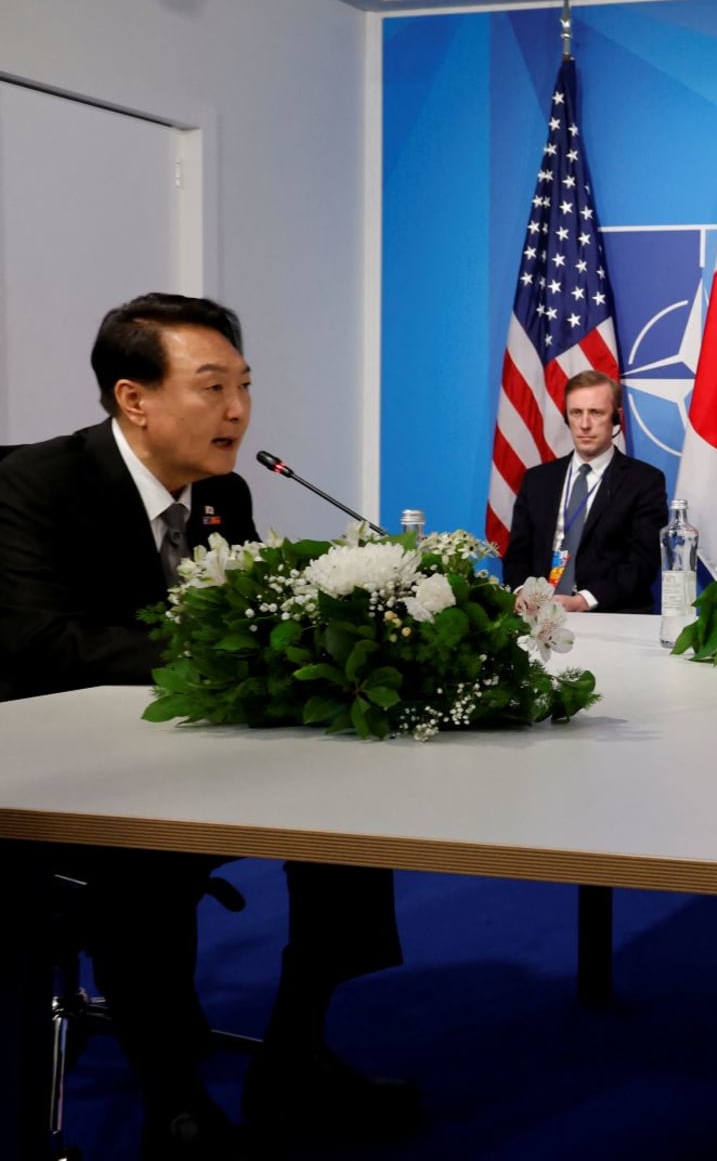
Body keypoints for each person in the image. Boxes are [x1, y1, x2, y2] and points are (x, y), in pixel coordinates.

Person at [0, 294, 415, 1158]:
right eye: (212, 386)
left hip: (187, 747)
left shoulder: (224, 492)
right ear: (134, 399)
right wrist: (223, 650)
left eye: (244, 386)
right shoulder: (36, 485)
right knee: (146, 851)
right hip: (63, 772)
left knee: (355, 804)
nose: (237, 411)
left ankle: (294, 1054)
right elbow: (43, 645)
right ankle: (174, 1098)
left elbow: (252, 611)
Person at [503, 370, 668, 612]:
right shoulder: (537, 480)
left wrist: (583, 601)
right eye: (576, 413)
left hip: (611, 615)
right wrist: (522, 591)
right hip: (537, 615)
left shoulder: (644, 481)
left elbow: (643, 561)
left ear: (616, 418)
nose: (584, 425)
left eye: (596, 413)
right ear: (566, 417)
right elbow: (517, 553)